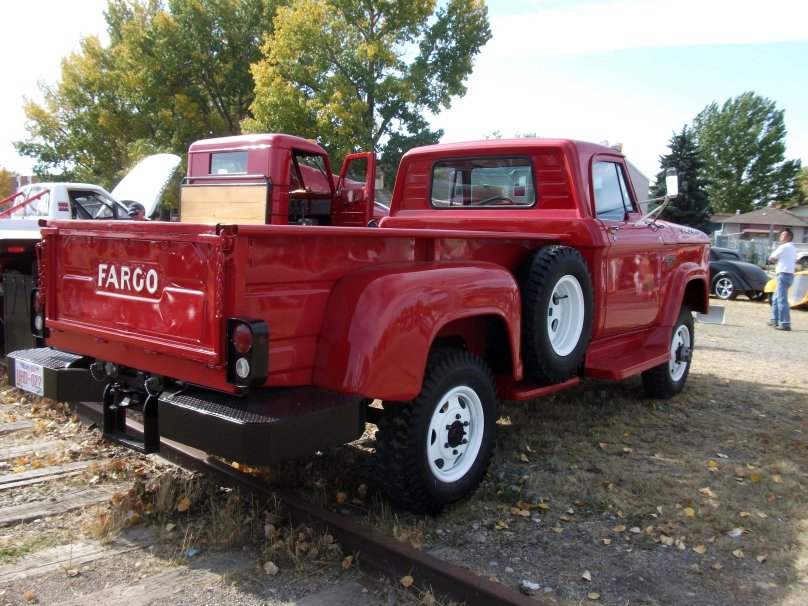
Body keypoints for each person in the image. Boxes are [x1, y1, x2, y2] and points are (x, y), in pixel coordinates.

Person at [767, 227, 797, 331]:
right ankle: (774, 319)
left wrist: (775, 261)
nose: (781, 237)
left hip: (783, 274)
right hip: (789, 275)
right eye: (781, 235)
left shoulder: (783, 247)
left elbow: (771, 258)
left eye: (783, 235)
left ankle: (785, 323)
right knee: (776, 297)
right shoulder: (793, 247)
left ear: (789, 237)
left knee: (781, 299)